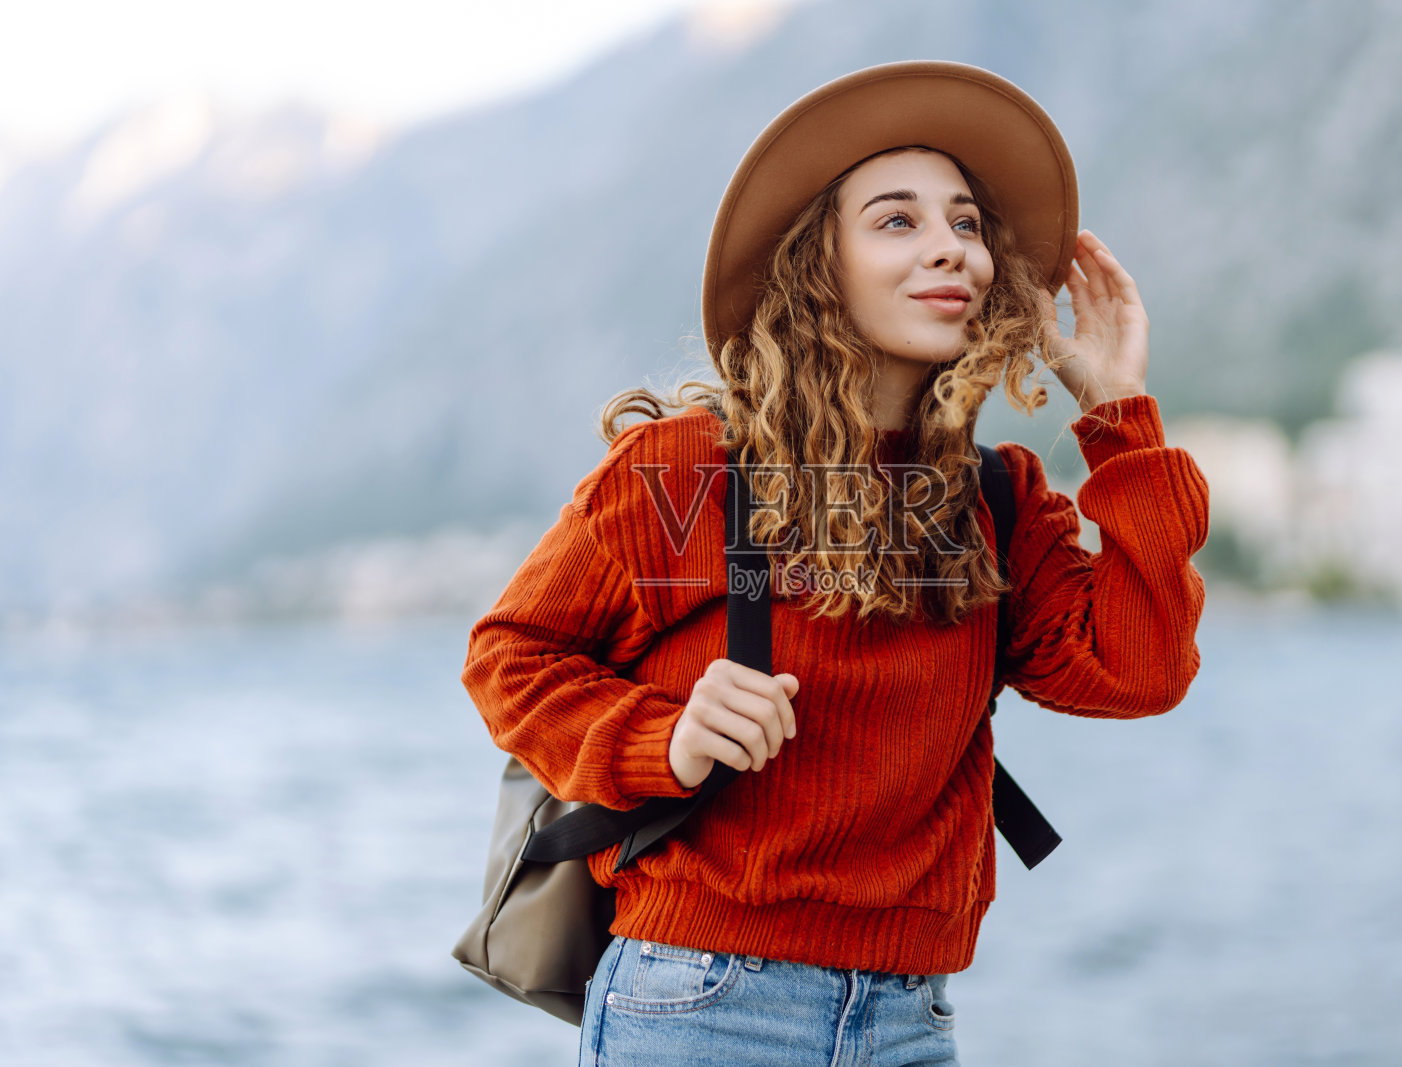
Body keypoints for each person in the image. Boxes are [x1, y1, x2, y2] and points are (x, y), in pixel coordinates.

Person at [459, 61, 1209, 1066]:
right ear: (820, 265)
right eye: (898, 220)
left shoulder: (997, 501)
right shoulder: (688, 470)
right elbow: (508, 657)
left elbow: (1142, 669)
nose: (950, 247)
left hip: (911, 1018)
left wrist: (1117, 413)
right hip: (699, 1002)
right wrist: (664, 736)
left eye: (967, 224)